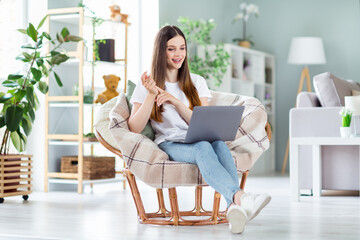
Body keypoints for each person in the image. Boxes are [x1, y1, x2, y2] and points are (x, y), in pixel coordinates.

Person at [128, 25, 270, 234]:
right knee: (203, 147)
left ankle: (233, 208)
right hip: (170, 142)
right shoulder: (148, 83)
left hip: (197, 136)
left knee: (218, 143)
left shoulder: (196, 81)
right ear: (161, 51)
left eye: (182, 48)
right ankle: (241, 198)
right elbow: (133, 127)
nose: (179, 54)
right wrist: (150, 95)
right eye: (171, 49)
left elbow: (201, 121)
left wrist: (176, 103)